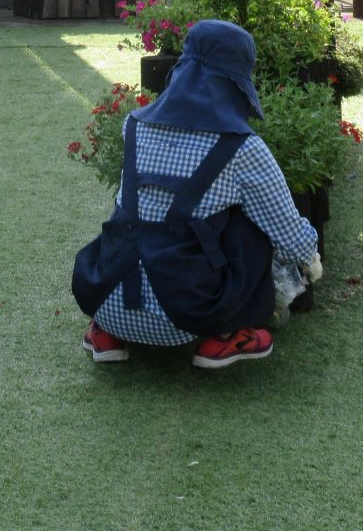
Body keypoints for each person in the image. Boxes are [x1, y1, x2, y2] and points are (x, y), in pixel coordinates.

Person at [71, 20, 322, 370]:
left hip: (104, 292)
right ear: (236, 82)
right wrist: (311, 261)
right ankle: (223, 337)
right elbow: (287, 233)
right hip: (190, 310)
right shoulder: (243, 148)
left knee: (132, 219)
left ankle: (107, 333)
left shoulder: (134, 125)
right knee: (247, 225)